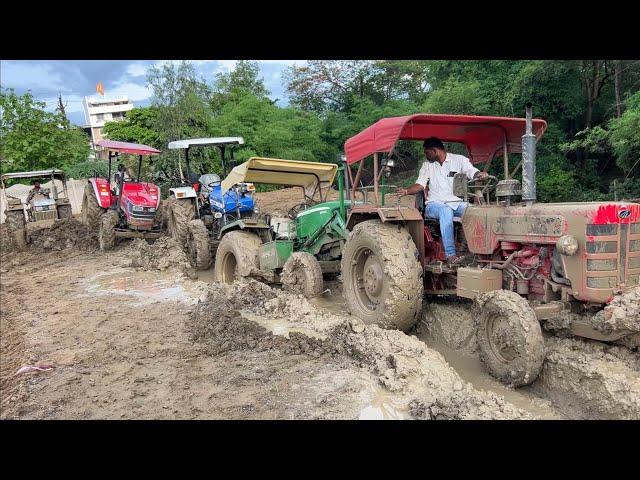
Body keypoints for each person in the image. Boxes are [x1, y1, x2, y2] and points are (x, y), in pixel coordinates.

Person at [397, 137, 488, 266]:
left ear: (434, 151)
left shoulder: (459, 160)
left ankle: (480, 252)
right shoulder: (427, 165)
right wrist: (406, 191)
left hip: (456, 203)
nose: (426, 155)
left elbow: (471, 171)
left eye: (427, 152)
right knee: (446, 211)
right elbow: (421, 184)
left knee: (477, 211)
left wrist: (478, 174)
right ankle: (450, 255)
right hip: (434, 205)